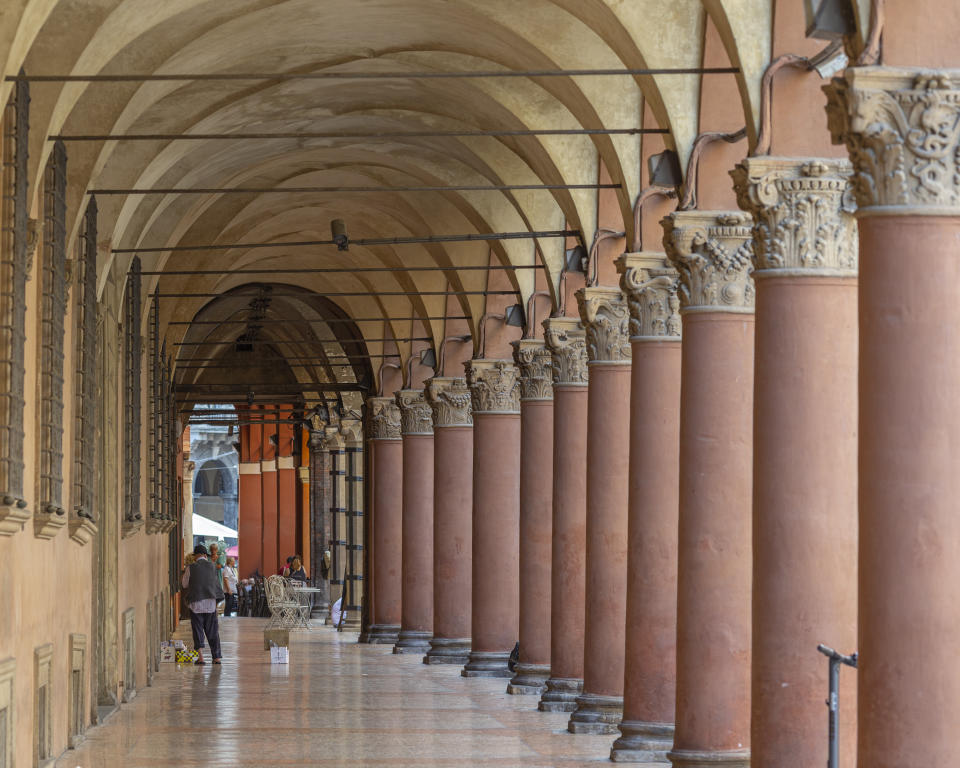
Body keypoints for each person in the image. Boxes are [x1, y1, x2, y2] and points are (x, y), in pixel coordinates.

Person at [181, 544, 224, 664]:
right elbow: (216, 584)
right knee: (213, 631)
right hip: (210, 603)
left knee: (197, 630)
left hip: (196, 604)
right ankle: (216, 658)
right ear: (205, 555)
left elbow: (184, 584)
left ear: (196, 556)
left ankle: (201, 658)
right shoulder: (213, 566)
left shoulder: (191, 567)